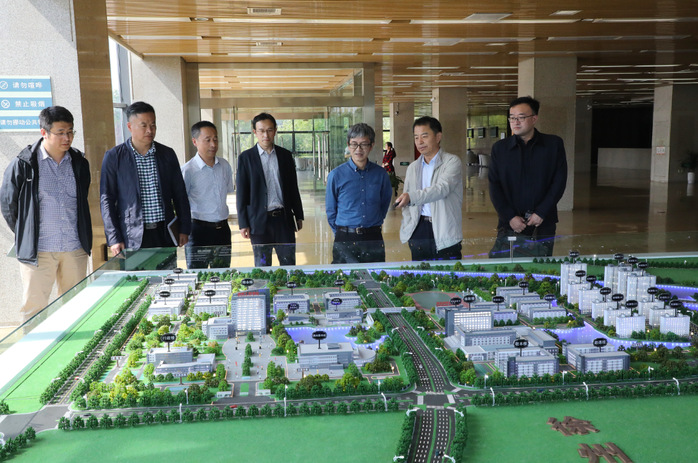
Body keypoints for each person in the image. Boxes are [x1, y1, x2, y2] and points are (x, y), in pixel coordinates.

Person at [1, 106, 92, 322]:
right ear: (44, 132)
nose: (67, 138)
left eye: (70, 132)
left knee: (75, 307)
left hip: (74, 247)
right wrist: (26, 232)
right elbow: (8, 204)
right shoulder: (23, 163)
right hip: (38, 251)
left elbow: (82, 200)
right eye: (60, 132)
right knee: (34, 309)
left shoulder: (79, 163)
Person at [100, 101, 191, 256]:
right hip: (132, 236)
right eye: (144, 125)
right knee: (136, 273)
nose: (150, 130)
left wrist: (184, 228)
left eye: (153, 125)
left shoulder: (167, 154)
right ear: (130, 127)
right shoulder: (114, 157)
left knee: (167, 272)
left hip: (164, 233)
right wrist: (114, 237)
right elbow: (106, 199)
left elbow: (180, 194)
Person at [488, 96, 567, 257]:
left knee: (540, 267)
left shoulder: (553, 145)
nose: (515, 122)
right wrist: (510, 217)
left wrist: (541, 212)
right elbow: (494, 186)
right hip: (510, 223)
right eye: (512, 118)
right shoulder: (500, 149)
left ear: (534, 119)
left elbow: (559, 182)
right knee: (507, 266)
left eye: (521, 117)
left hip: (543, 222)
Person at [236, 112, 304, 267]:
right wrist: (243, 223)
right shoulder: (246, 158)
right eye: (261, 131)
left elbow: (293, 187)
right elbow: (241, 193)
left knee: (288, 264)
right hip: (259, 222)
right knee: (262, 266)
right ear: (255, 132)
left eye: (269, 130)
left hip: (283, 220)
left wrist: (298, 215)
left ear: (275, 130)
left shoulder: (285, 155)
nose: (265, 135)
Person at [395, 116, 463, 261]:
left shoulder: (451, 162)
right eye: (416, 137)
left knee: (448, 273)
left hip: (444, 229)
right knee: (421, 272)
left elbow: (441, 189)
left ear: (438, 137)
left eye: (424, 136)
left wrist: (412, 197)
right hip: (418, 228)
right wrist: (409, 226)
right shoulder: (413, 167)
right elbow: (407, 204)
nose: (419, 142)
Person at [326, 123, 392, 263]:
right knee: (344, 276)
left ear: (371, 145)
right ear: (348, 145)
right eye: (354, 144)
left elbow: (384, 203)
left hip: (373, 237)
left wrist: (373, 224)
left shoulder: (381, 174)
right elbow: (331, 210)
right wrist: (341, 232)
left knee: (375, 275)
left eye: (363, 144)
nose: (358, 149)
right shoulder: (336, 175)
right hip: (345, 237)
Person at [181, 121, 234, 268]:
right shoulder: (188, 170)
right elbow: (181, 202)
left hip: (222, 230)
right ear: (195, 142)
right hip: (198, 232)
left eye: (215, 139)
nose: (213, 144)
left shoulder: (224, 165)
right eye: (208, 140)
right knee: (198, 274)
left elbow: (228, 190)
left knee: (222, 274)